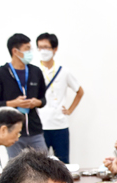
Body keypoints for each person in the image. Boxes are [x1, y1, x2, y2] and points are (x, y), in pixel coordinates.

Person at [0, 33, 47, 159]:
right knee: (16, 170)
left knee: (44, 165)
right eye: (27, 49)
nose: (30, 52)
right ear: (15, 51)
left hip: (35, 129)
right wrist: (14, 103)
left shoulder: (35, 71)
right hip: (12, 132)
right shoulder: (0, 74)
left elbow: (43, 100)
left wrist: (36, 103)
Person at [36, 33, 84, 164]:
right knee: (40, 165)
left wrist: (70, 110)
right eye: (40, 47)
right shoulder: (35, 71)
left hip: (60, 125)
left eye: (46, 47)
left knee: (63, 164)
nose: (43, 51)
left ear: (54, 49)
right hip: (40, 125)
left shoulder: (64, 71)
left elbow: (80, 91)